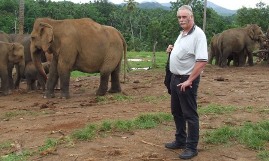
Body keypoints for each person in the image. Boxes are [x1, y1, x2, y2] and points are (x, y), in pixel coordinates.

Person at [164, 5, 208, 160]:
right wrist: (173, 49)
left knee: (190, 114)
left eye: (184, 17)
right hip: (176, 79)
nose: (181, 20)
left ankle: (191, 147)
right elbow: (185, 52)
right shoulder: (183, 33)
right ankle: (180, 140)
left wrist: (190, 80)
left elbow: (202, 61)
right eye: (179, 17)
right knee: (176, 112)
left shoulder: (198, 35)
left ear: (191, 17)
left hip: (186, 81)